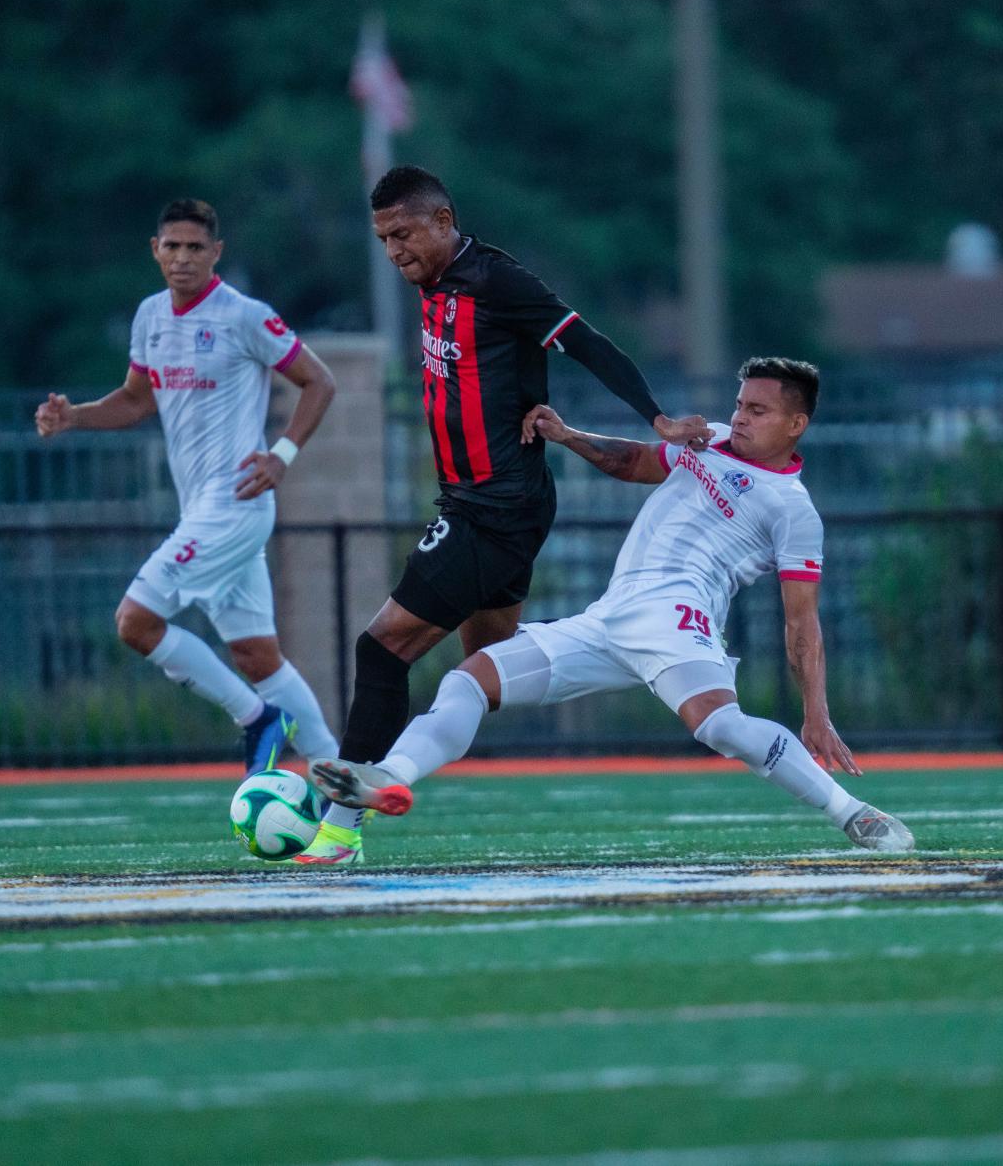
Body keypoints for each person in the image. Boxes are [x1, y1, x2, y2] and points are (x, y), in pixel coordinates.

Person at [311, 357, 914, 854]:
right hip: (608, 617)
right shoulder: (713, 444)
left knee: (721, 727)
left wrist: (816, 711)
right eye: (739, 404)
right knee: (470, 680)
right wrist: (569, 436)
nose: (740, 417)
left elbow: (801, 619)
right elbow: (634, 461)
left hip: (680, 618)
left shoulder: (793, 508)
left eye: (758, 410)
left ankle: (854, 813)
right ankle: (390, 777)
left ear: (797, 424)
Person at [300, 167, 712, 866]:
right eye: (382, 240)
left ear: (442, 220)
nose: (394, 250)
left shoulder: (496, 280)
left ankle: (342, 822)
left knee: (382, 648)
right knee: (482, 671)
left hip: (491, 509)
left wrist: (657, 416)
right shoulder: (432, 283)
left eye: (403, 234)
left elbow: (587, 342)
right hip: (493, 505)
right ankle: (601, 640)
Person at [35, 199, 341, 785]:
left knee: (134, 621)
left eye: (195, 247)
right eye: (171, 246)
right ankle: (340, 790)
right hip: (201, 507)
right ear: (155, 251)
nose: (182, 258)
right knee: (257, 656)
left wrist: (282, 456)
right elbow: (134, 399)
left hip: (234, 505)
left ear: (216, 253)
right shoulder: (150, 316)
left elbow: (319, 381)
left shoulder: (243, 315)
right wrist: (73, 416)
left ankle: (256, 720)